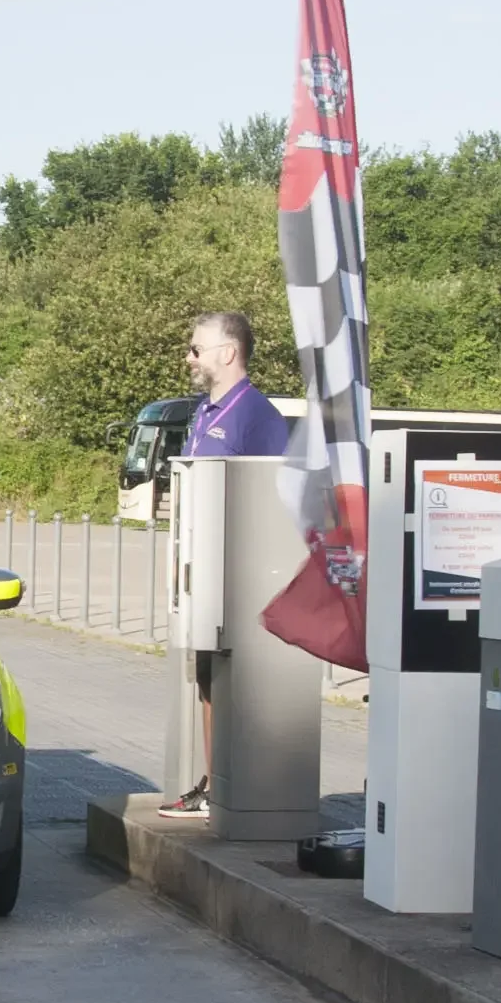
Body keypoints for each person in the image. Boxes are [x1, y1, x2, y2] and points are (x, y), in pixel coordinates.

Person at [161, 311, 290, 820]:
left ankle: (231, 788)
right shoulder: (203, 412)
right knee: (209, 680)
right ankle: (213, 784)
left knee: (236, 686)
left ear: (228, 353)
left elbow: (275, 503)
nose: (189, 357)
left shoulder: (256, 417)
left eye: (196, 349)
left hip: (240, 578)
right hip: (202, 577)